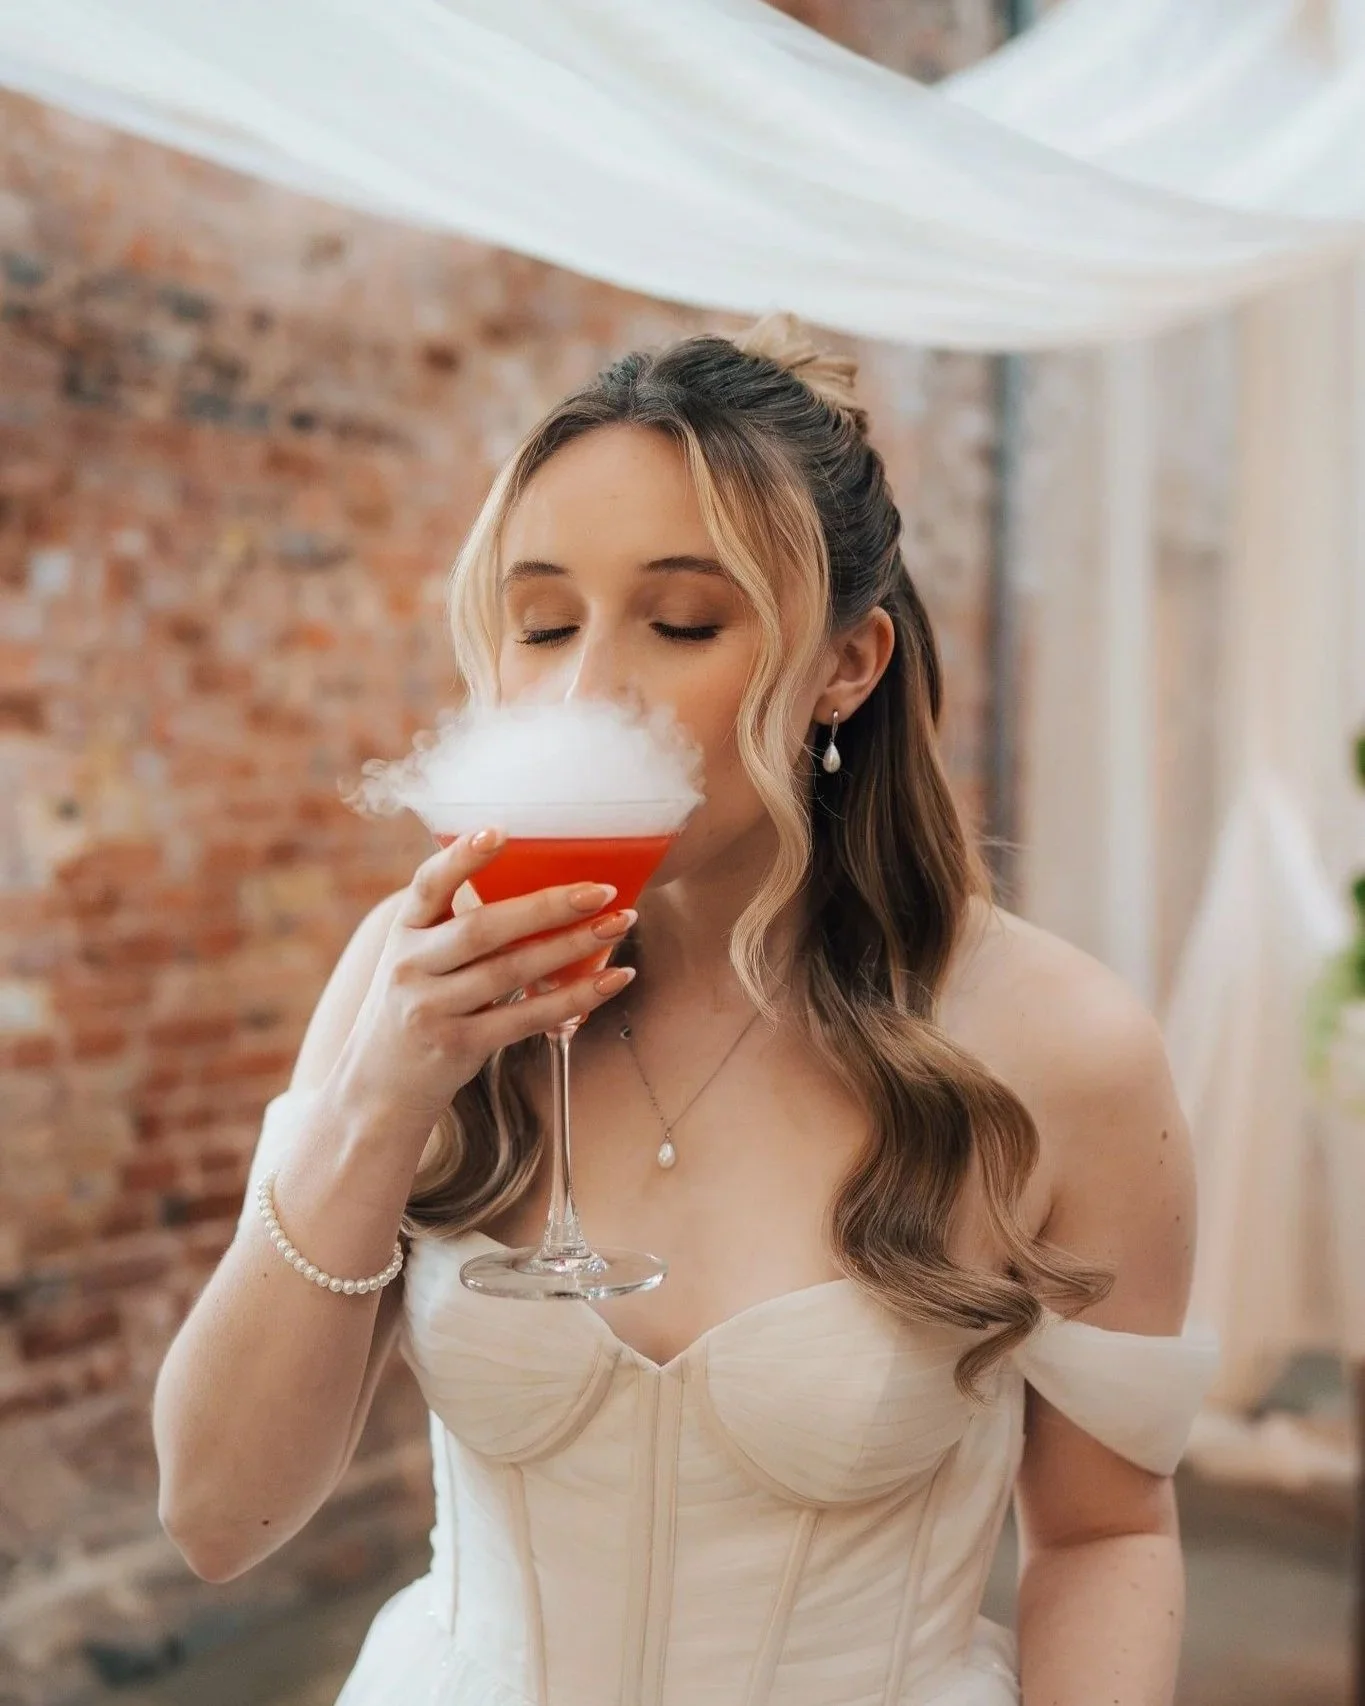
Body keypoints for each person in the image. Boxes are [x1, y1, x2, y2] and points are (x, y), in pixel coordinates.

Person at [153, 316, 1216, 1706]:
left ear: (849, 663)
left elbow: (1105, 1532)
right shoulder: (410, 980)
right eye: (541, 625)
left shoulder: (1059, 1046)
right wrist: (377, 1099)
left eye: (681, 623)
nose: (587, 688)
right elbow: (218, 1516)